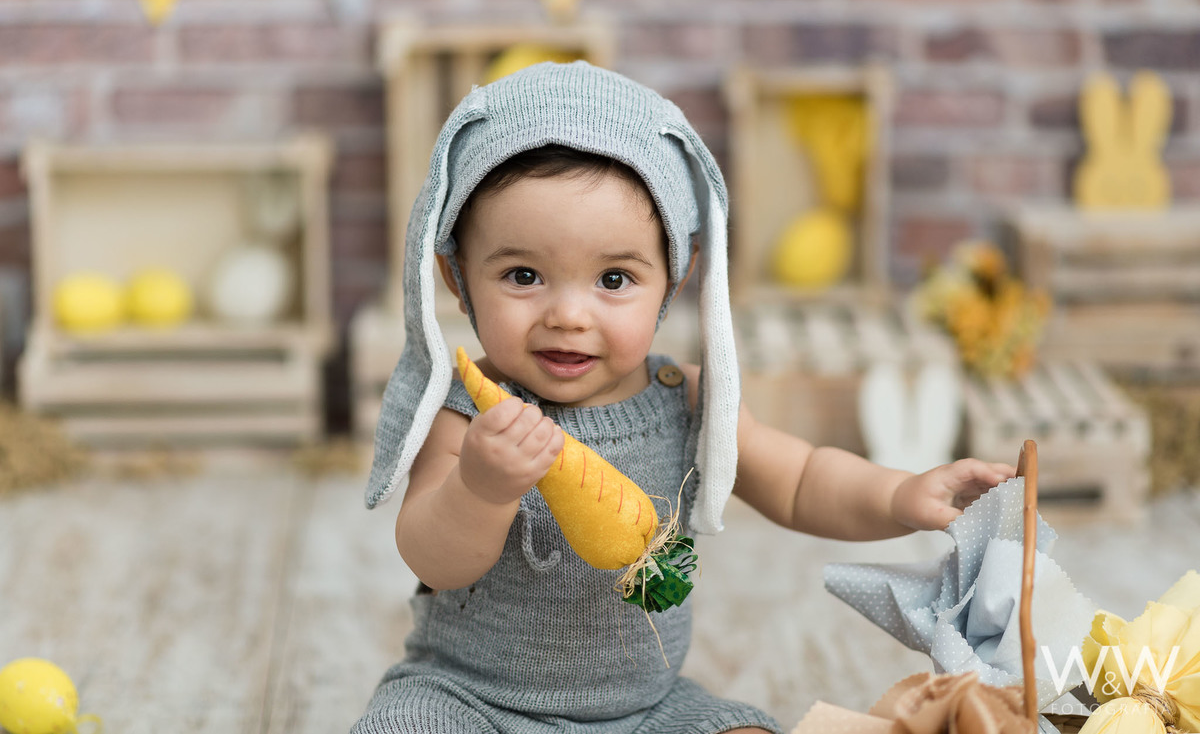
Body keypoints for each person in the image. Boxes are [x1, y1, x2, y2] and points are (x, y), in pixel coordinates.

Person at [354, 61, 1014, 734]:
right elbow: (431, 554)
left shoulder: (686, 398)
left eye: (614, 278)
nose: (569, 314)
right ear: (456, 274)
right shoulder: (469, 413)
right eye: (524, 275)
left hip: (647, 712)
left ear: (674, 275)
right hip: (472, 701)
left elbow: (801, 478)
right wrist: (481, 486)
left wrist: (902, 495)